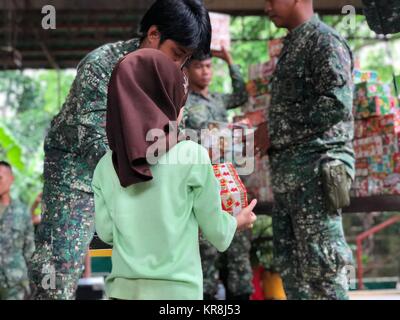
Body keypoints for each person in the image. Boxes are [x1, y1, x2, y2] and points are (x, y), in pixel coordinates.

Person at [29, 0, 212, 300]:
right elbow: (94, 141)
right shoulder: (102, 65)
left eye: (186, 59)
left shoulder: (175, 78)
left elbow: (173, 138)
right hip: (78, 176)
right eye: (177, 54)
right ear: (153, 34)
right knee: (59, 264)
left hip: (142, 173)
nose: (179, 66)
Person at [93, 49, 257, 300]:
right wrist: (238, 221)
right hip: (178, 293)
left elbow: (106, 233)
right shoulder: (191, 155)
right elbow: (216, 230)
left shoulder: (106, 165)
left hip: (122, 291)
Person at [262, 0, 355, 299]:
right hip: (290, 181)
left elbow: (337, 102)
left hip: (315, 176)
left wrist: (274, 130)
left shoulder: (323, 40)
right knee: (296, 280)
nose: (266, 7)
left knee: (323, 276)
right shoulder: (294, 43)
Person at [183, 49, 253, 300]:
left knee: (238, 250)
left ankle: (240, 294)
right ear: (188, 70)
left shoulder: (218, 100)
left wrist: (230, 60)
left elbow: (241, 95)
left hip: (231, 184)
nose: (206, 72)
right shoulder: (184, 103)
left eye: (210, 67)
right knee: (207, 252)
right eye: (200, 67)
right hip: (204, 184)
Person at [0, 161, 35, 300]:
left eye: (0, 177)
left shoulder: (21, 212)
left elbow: (29, 249)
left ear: (11, 179)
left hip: (15, 282)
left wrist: (33, 281)